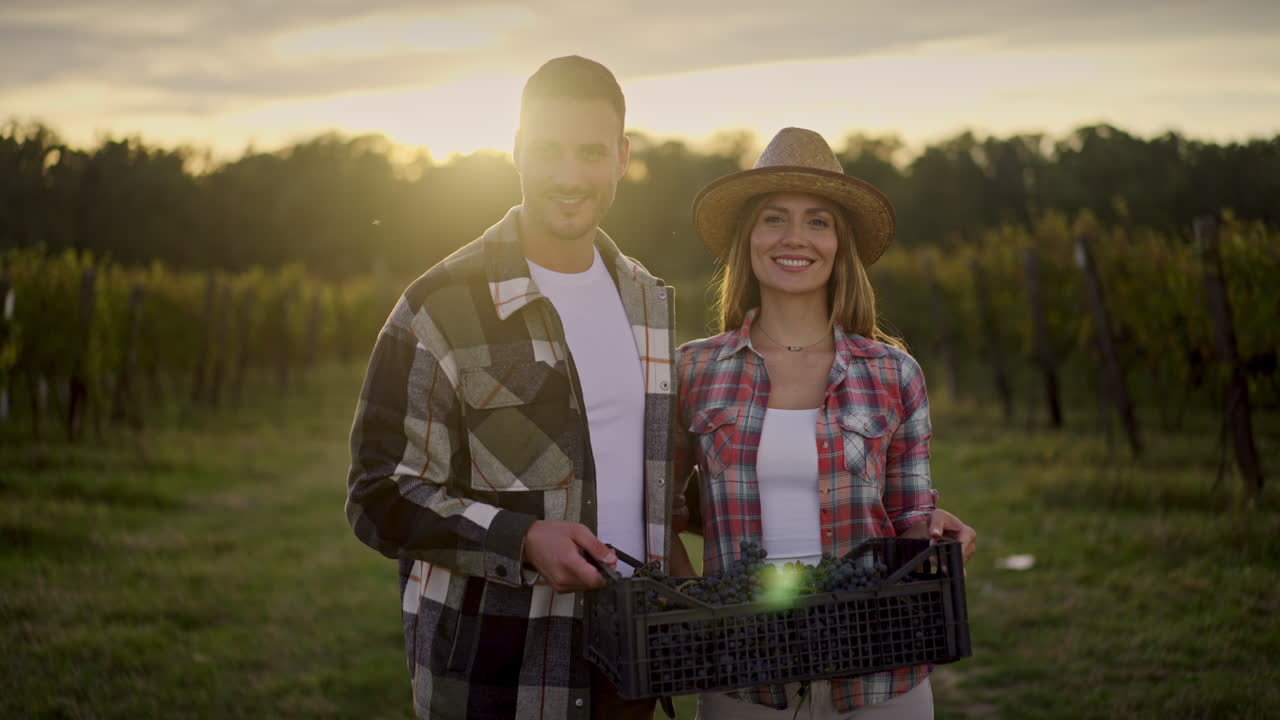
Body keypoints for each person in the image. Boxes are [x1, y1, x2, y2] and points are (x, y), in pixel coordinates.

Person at [345, 56, 680, 719]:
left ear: (621, 157)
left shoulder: (648, 300)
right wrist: (521, 539)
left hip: (631, 668)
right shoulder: (439, 307)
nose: (569, 175)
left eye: (591, 152)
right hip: (499, 673)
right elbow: (378, 493)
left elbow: (644, 476)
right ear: (518, 151)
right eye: (548, 150)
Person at [672, 127, 977, 719]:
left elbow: (908, 516)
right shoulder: (693, 370)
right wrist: (696, 607)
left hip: (879, 673)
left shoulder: (893, 372)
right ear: (748, 237)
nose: (795, 237)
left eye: (818, 221)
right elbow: (657, 512)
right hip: (744, 679)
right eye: (774, 218)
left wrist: (937, 534)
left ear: (839, 244)